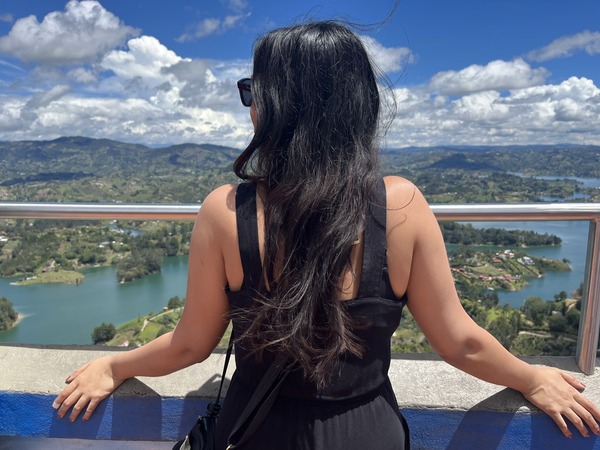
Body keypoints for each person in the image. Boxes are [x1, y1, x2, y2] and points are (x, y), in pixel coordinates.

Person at [53, 20, 600, 448]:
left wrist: (111, 365)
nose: (249, 106)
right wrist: (530, 377)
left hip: (253, 431)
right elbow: (459, 340)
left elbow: (191, 345)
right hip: (366, 432)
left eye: (252, 91)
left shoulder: (226, 211)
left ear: (277, 105)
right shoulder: (401, 205)